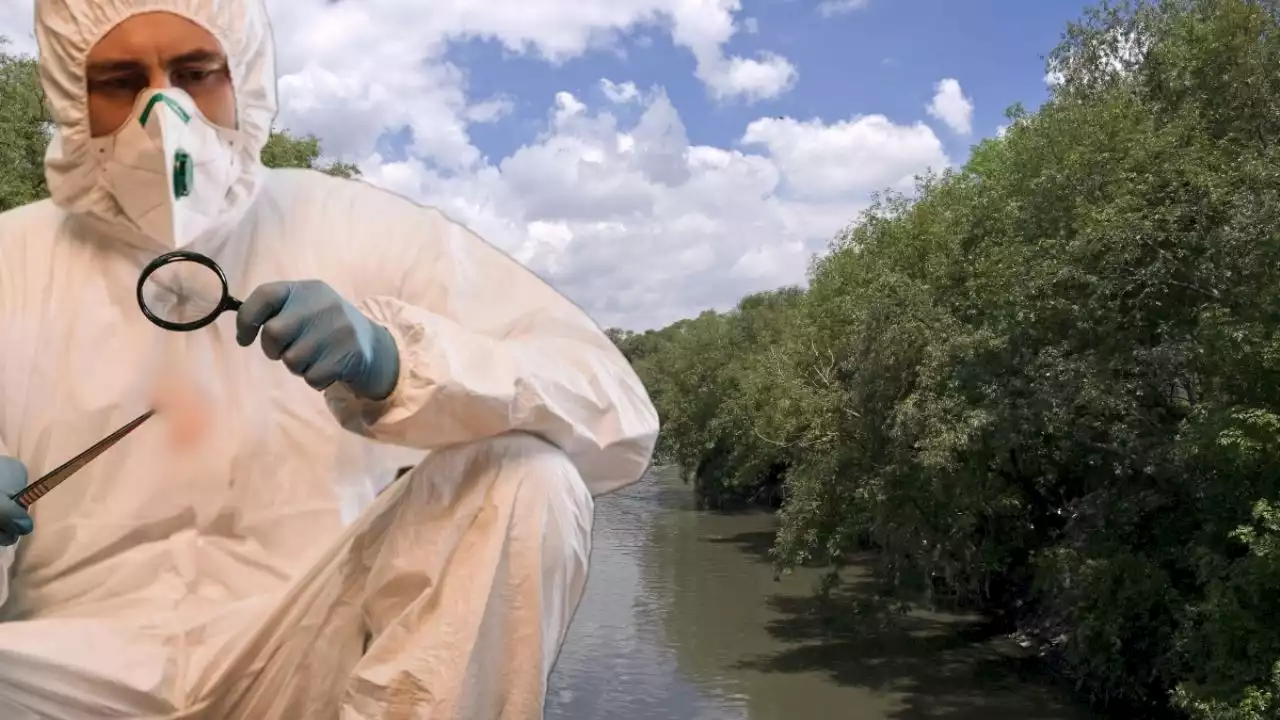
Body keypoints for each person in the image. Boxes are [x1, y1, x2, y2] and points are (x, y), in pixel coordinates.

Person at [0, 0, 659, 718]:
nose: (164, 113)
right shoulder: (13, 258)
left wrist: (401, 363)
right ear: (72, 93)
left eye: (194, 73)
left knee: (526, 473)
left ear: (241, 75)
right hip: (62, 677)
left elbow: (616, 414)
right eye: (122, 81)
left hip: (314, 653)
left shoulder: (362, 227)